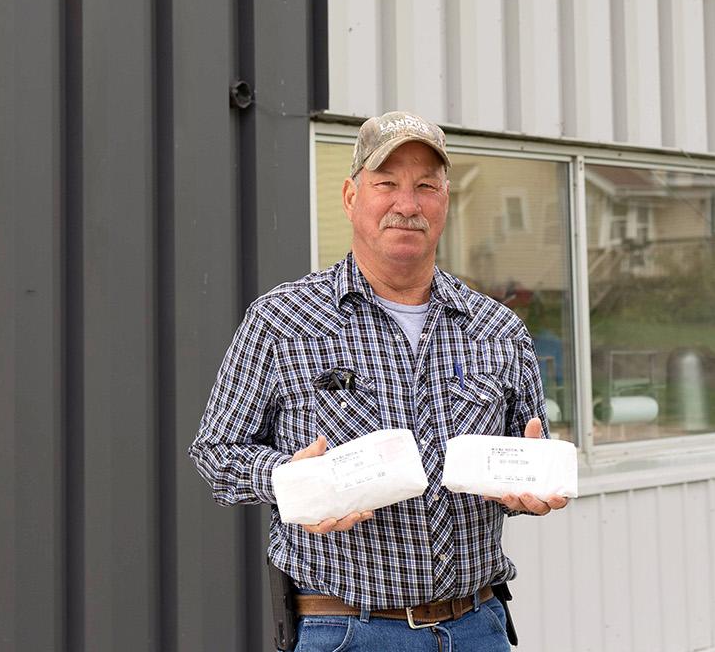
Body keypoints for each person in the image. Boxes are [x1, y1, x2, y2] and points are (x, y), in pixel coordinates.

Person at [190, 111, 568, 651]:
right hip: (346, 630)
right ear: (350, 197)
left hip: (478, 627)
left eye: (425, 187)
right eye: (386, 184)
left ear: (444, 202)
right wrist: (292, 479)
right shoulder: (283, 321)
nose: (407, 204)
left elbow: (522, 460)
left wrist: (532, 489)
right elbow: (216, 453)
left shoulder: (497, 328)